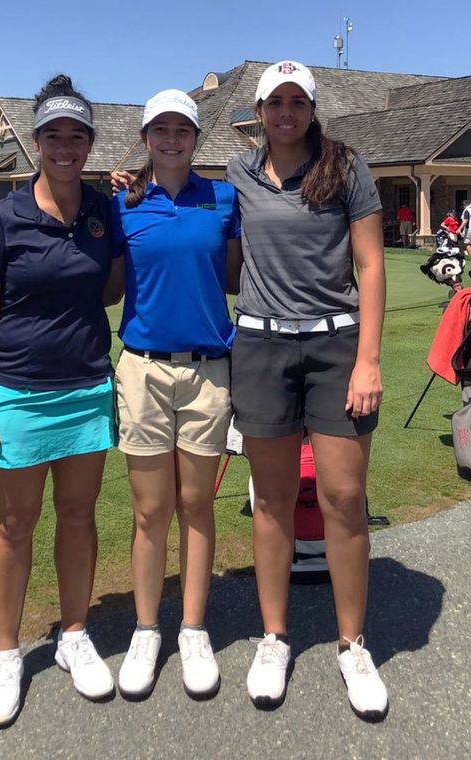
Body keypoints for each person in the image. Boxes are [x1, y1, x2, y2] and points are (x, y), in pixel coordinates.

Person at [225, 61, 388, 721]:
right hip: (261, 346)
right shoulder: (237, 172)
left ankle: (352, 643)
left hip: (335, 346)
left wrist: (368, 361)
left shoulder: (345, 168)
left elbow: (372, 264)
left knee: (344, 497)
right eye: (275, 103)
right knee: (272, 498)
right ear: (260, 111)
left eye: (298, 102)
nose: (287, 113)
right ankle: (274, 636)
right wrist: (130, 184)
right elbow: (174, 188)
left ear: (312, 108)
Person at [0, 74, 120, 727]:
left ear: (88, 144)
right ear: (36, 144)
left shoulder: (102, 212)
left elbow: (110, 292)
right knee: (14, 525)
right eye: (52, 136)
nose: (64, 146)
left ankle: (75, 634)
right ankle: (5, 653)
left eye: (75, 136)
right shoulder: (2, 221)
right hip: (17, 392)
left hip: (86, 386)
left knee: (78, 516)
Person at [110, 89, 241, 700]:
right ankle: (145, 628)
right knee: (149, 511)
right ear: (145, 141)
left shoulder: (222, 199)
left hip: (208, 370)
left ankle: (191, 628)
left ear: (195, 138)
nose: (171, 139)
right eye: (159, 130)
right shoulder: (122, 205)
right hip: (141, 369)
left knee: (197, 505)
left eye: (181, 130)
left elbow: (241, 273)